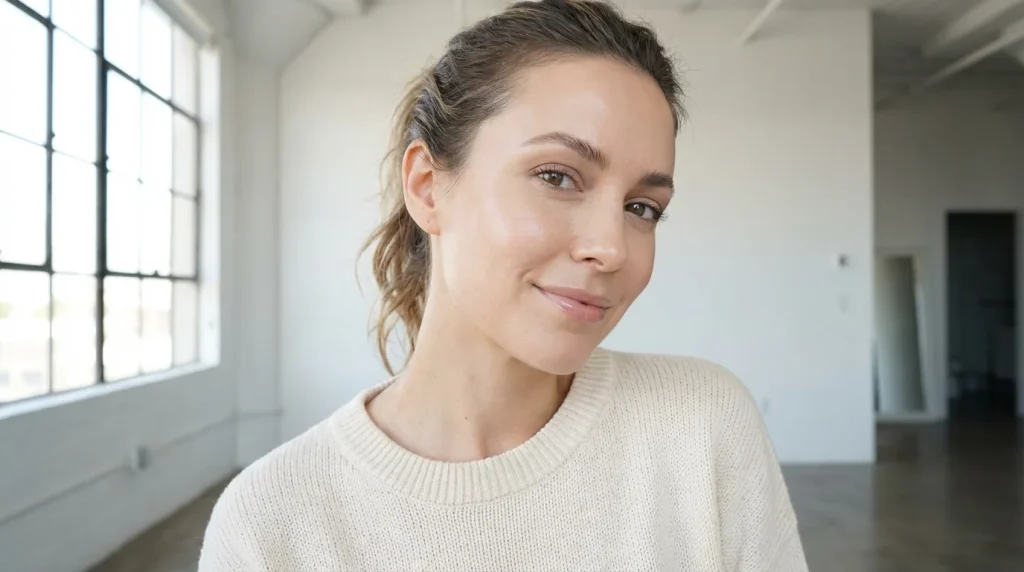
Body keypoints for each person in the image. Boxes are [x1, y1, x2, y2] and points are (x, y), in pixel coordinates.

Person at [198, 1, 808, 570]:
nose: (613, 247)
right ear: (428, 187)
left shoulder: (701, 425)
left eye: (642, 208)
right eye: (557, 176)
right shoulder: (270, 520)